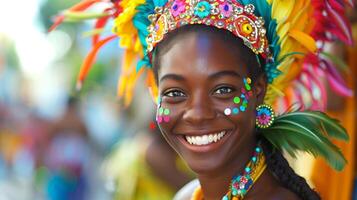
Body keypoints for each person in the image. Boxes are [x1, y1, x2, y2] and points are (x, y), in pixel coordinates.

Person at [50, 0, 354, 199]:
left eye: (222, 89)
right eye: (175, 93)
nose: (196, 113)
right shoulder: (187, 195)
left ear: (258, 89)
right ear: (156, 96)